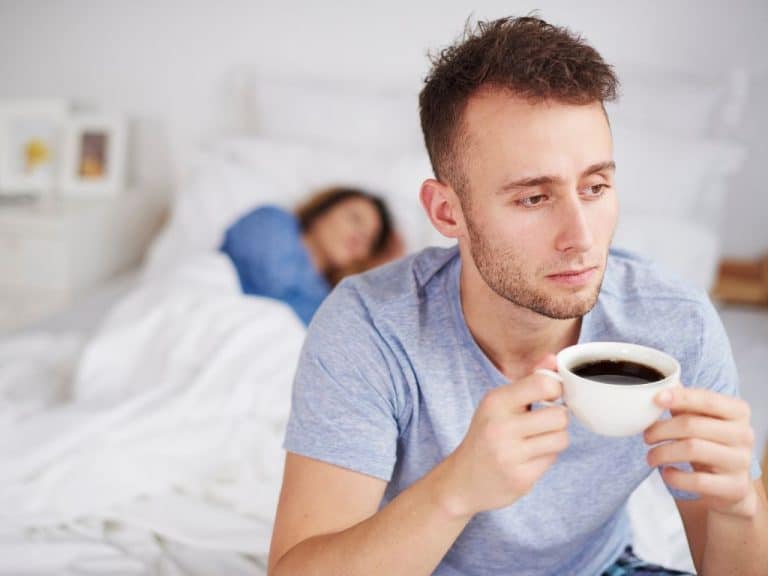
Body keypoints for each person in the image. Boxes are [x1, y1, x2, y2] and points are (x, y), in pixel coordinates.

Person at [268, 16, 767, 576]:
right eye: (533, 198)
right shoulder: (370, 325)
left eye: (595, 187)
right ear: (445, 211)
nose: (581, 238)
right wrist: (455, 489)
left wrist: (739, 507)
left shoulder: (676, 324)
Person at [220, 186, 399, 325]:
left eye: (370, 240)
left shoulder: (333, 303)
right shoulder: (272, 220)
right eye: (354, 219)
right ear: (322, 210)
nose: (359, 237)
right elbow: (272, 282)